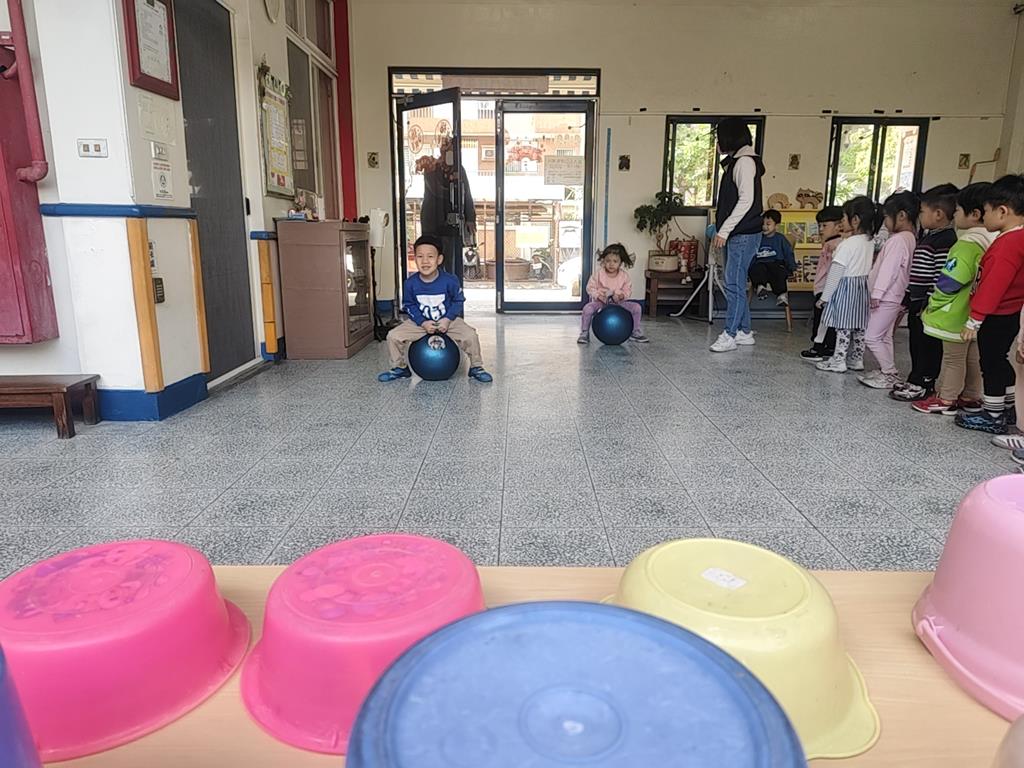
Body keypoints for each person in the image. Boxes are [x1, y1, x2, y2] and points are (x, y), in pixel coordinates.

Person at [913, 183, 996, 414]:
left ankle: (946, 398)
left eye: (958, 210)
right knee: (971, 357)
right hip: (975, 312)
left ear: (975, 214)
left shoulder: (967, 244)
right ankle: (970, 395)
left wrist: (935, 301)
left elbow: (951, 279)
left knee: (952, 359)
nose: (955, 215)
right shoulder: (991, 242)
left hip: (956, 311)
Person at [955, 175, 1024, 435]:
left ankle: (992, 414)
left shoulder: (1008, 244)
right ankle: (1009, 406)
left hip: (998, 313)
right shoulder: (1017, 239)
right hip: (1009, 312)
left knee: (991, 362)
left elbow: (994, 284)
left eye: (986, 211)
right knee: (999, 359)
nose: (984, 217)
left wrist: (975, 318)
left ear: (1002, 211)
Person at [379, 235, 493, 383]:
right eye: (420, 256)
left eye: (430, 256)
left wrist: (447, 319)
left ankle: (476, 367)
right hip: (420, 322)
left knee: (470, 335)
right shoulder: (410, 283)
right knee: (393, 336)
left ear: (439, 259)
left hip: (448, 321)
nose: (425, 261)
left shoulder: (450, 280)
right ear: (415, 259)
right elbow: (409, 305)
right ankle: (400, 368)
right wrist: (422, 322)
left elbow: (458, 301)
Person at [890, 184, 960, 401]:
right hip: (917, 301)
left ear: (938, 214)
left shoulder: (945, 241)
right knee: (916, 342)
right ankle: (915, 377)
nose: (919, 216)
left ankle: (924, 382)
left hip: (929, 304)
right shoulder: (930, 237)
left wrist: (930, 303)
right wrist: (909, 296)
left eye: (922, 211)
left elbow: (941, 277)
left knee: (928, 345)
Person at [709, 118, 766, 353]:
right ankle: (744, 331)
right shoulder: (738, 162)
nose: (717, 142)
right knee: (736, 283)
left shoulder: (744, 162)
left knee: (733, 284)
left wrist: (724, 230)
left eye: (719, 137)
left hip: (743, 234)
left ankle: (730, 334)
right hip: (740, 234)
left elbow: (746, 201)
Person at [858, 192, 919, 389]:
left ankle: (890, 373)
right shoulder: (909, 238)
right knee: (884, 336)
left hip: (887, 297)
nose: (884, 222)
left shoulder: (898, 240)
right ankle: (887, 370)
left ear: (901, 216)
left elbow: (888, 270)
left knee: (871, 336)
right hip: (893, 296)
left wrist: (877, 293)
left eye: (886, 216)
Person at [814, 196, 876, 373]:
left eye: (843, 218)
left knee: (843, 327)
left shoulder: (847, 244)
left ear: (855, 220)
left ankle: (838, 360)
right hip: (862, 288)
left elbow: (836, 273)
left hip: (846, 288)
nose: (841, 222)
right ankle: (856, 359)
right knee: (859, 327)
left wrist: (825, 298)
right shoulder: (870, 242)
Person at [420, 137, 477, 285]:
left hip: (452, 225)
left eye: (453, 151)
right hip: (432, 223)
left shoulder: (459, 169)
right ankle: (434, 289)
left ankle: (451, 289)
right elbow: (436, 190)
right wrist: (453, 184)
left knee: (451, 262)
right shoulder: (432, 167)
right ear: (441, 151)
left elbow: (467, 193)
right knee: (433, 260)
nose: (449, 154)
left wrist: (470, 218)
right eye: (446, 150)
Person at [578, 243, 648, 344]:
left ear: (620, 263)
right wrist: (599, 296)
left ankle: (635, 332)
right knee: (587, 308)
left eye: (615, 261)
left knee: (637, 307)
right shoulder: (599, 274)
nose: (611, 264)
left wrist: (621, 296)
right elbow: (590, 288)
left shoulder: (624, 276)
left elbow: (627, 290)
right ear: (603, 261)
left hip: (619, 303)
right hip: (601, 302)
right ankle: (584, 333)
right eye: (608, 261)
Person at [801, 206, 844, 361]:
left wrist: (824, 292)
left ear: (839, 225)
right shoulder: (834, 243)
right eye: (819, 226)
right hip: (829, 288)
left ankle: (817, 349)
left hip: (826, 288)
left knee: (821, 320)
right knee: (830, 320)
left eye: (824, 226)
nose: (820, 230)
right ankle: (829, 347)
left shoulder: (834, 245)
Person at [749, 209, 797, 306]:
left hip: (776, 264)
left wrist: (792, 267)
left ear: (777, 226)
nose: (764, 227)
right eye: (762, 224)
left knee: (779, 272)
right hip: (760, 264)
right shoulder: (757, 238)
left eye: (768, 224)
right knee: (756, 269)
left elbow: (788, 253)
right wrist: (748, 267)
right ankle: (760, 287)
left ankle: (781, 295)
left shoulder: (781, 238)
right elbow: (752, 254)